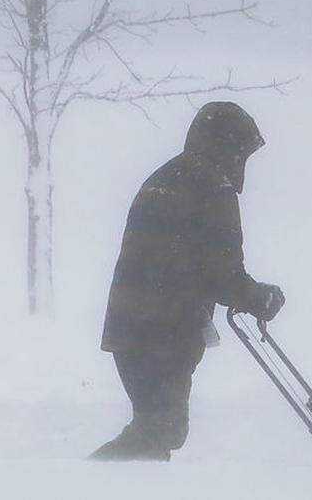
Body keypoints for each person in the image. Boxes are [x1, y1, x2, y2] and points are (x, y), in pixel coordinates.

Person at [90, 102, 284, 462]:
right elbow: (221, 270)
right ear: (231, 147)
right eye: (243, 151)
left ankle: (100, 484)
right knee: (159, 431)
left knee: (155, 430)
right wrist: (259, 299)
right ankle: (76, 484)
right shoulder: (212, 184)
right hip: (166, 329)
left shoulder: (167, 176)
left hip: (129, 325)